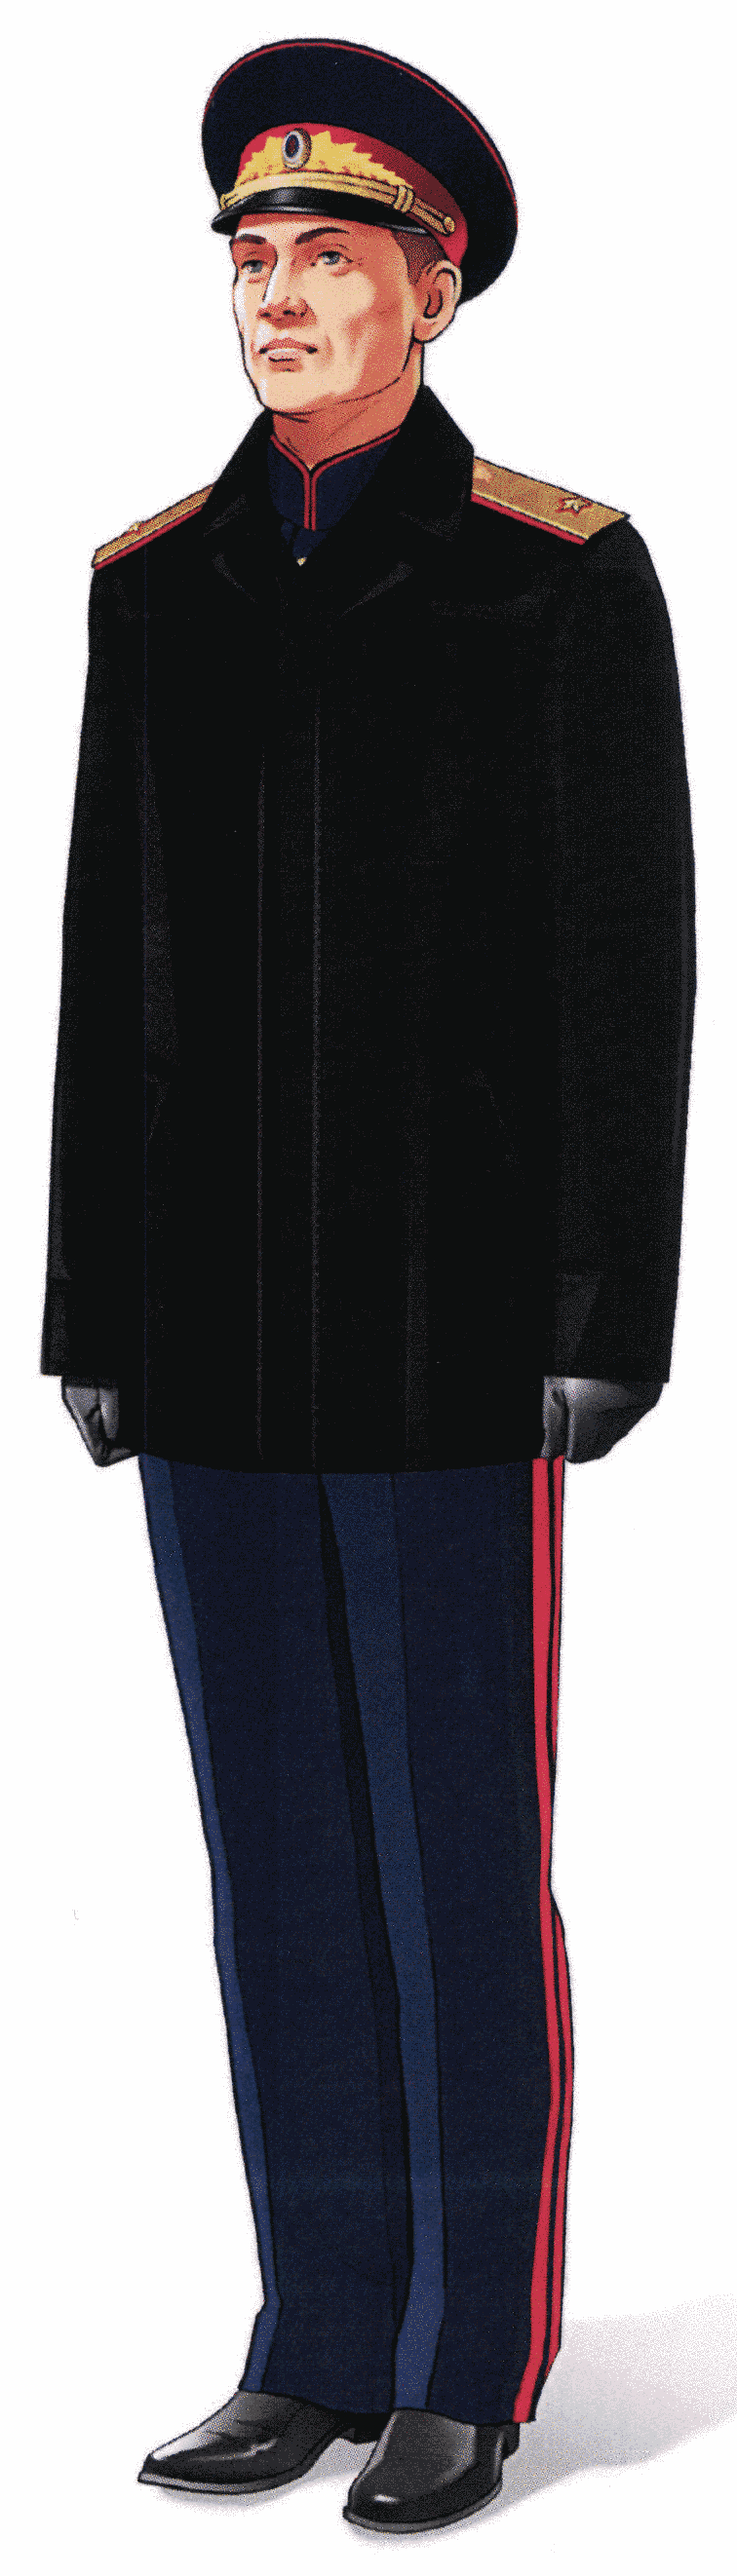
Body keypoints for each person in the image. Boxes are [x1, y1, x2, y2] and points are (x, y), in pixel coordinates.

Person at [42, 37, 695, 2535]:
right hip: (212, 1334)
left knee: (449, 1850)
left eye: (332, 256)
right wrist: (91, 1302)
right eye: (252, 258)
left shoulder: (555, 573)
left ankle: (461, 2355)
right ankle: (313, 2333)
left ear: (435, 291)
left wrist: (603, 1311)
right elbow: (110, 970)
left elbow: (626, 973)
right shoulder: (153, 589)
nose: (281, 296)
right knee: (278, 1859)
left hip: (454, 1333)